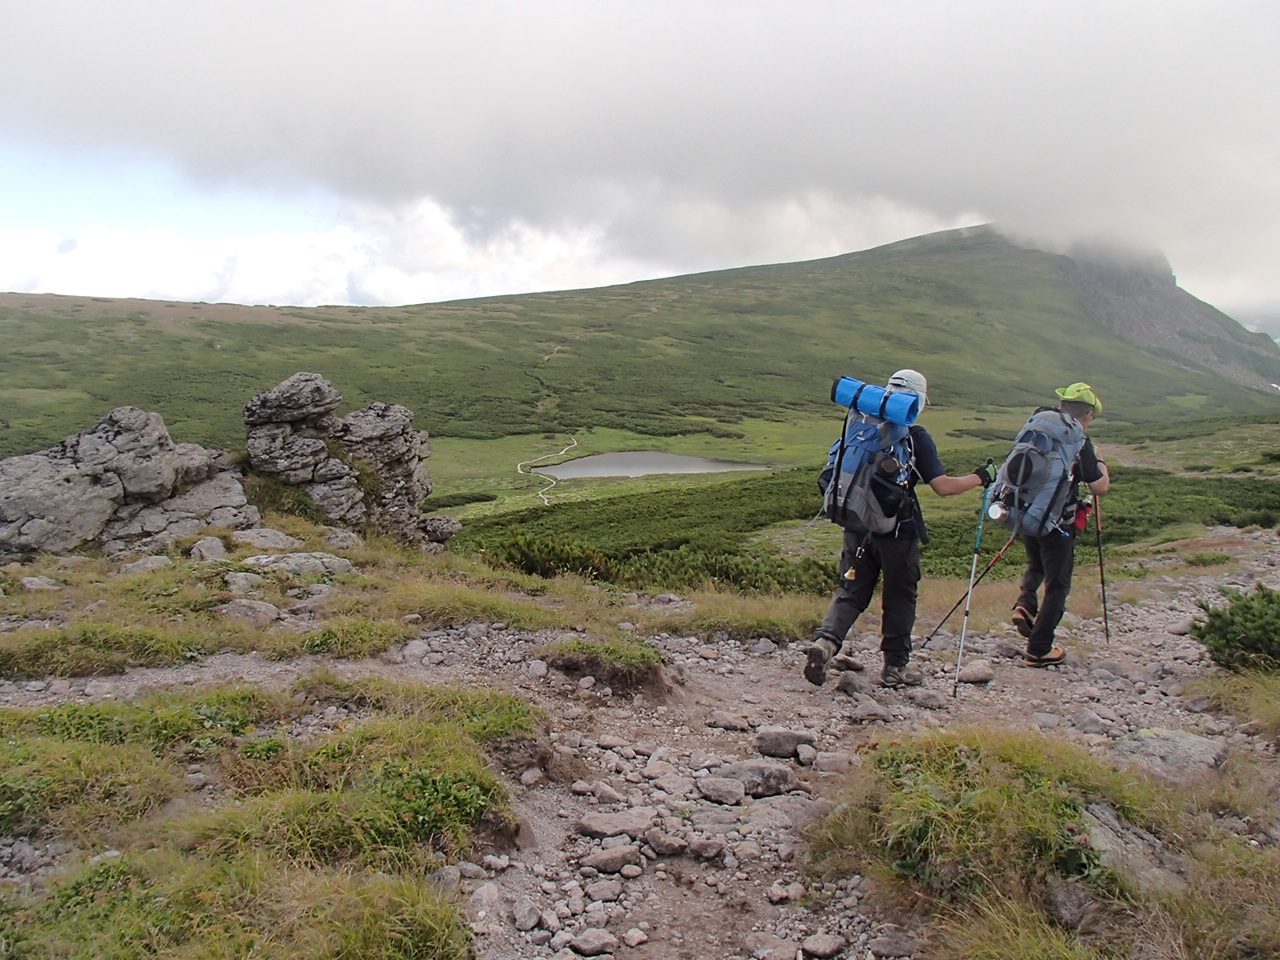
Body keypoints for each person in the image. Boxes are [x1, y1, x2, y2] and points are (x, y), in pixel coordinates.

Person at [805, 369, 995, 689]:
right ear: (917, 401)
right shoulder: (914, 435)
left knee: (852, 591)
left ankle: (826, 643)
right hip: (897, 532)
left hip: (857, 524)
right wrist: (981, 477)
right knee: (900, 596)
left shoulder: (858, 424)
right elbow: (943, 487)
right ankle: (895, 668)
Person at [1011, 382, 1111, 666]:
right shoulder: (1079, 441)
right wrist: (1100, 460)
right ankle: (1039, 649)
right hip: (1058, 523)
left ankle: (1025, 603)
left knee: (1036, 565)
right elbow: (1099, 487)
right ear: (1089, 413)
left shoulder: (1040, 430)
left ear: (1062, 406)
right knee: (1058, 585)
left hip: (1029, 513)